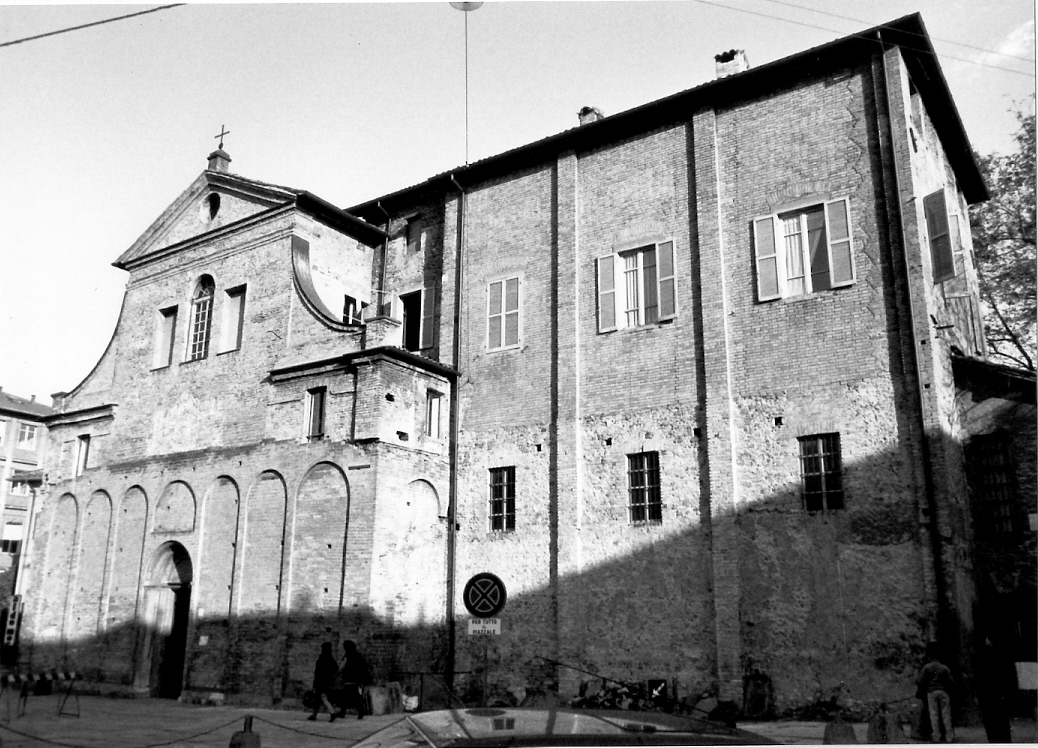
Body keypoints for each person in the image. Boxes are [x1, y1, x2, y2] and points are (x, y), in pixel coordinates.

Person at [917, 642, 955, 743]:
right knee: (946, 714)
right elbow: (951, 681)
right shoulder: (944, 668)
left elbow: (920, 681)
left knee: (934, 715)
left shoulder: (927, 668)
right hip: (943, 692)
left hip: (931, 692)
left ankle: (936, 737)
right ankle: (949, 736)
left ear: (929, 656)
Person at [333, 640, 371, 720]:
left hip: (348, 679)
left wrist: (336, 674)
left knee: (345, 696)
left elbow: (342, 667)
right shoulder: (358, 655)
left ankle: (343, 712)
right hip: (356, 680)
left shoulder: (348, 656)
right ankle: (360, 711)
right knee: (356, 696)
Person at [308, 642, 340, 722]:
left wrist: (315, 684)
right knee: (318, 698)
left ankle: (332, 713)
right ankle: (314, 715)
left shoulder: (321, 659)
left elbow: (317, 673)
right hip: (328, 682)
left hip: (320, 682)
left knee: (322, 697)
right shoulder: (331, 659)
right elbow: (336, 669)